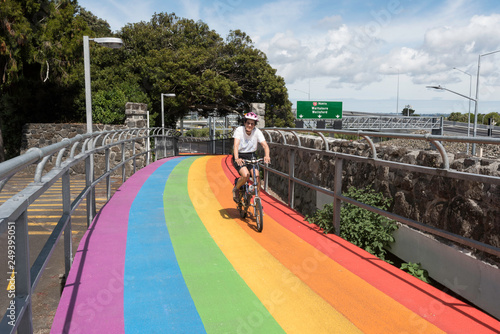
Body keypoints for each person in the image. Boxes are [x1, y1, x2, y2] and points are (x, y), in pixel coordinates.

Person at [232, 112, 270, 203]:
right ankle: (236, 189)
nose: (250, 125)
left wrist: (267, 156)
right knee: (246, 175)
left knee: (257, 177)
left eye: (252, 124)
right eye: (248, 123)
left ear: (254, 125)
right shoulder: (239, 130)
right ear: (244, 123)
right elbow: (236, 145)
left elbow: (265, 145)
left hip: (252, 155)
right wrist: (237, 158)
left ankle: (258, 203)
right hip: (240, 155)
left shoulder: (257, 131)